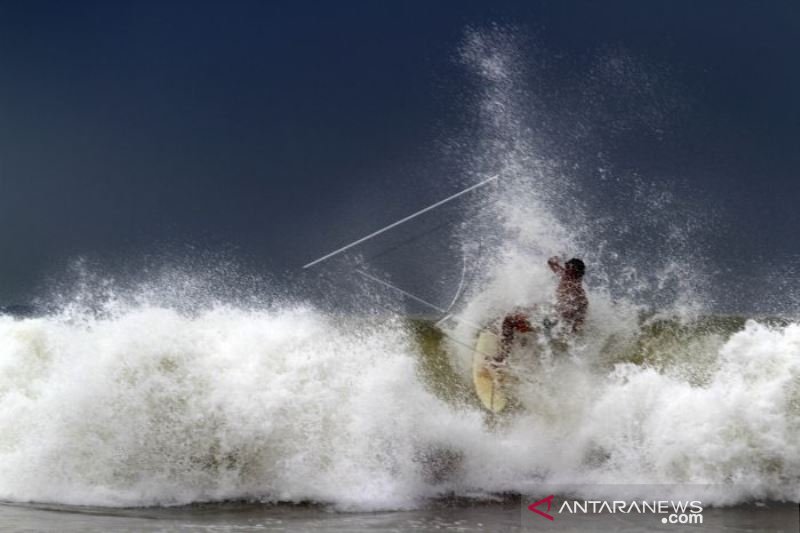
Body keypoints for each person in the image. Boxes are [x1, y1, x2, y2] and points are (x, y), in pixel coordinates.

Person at [497, 256, 588, 361]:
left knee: (509, 320)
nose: (566, 270)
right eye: (566, 267)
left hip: (553, 324)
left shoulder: (578, 294)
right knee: (521, 308)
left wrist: (567, 331)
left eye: (569, 269)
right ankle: (519, 340)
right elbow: (551, 262)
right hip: (550, 318)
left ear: (576, 273)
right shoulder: (565, 276)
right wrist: (559, 257)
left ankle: (502, 357)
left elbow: (578, 319)